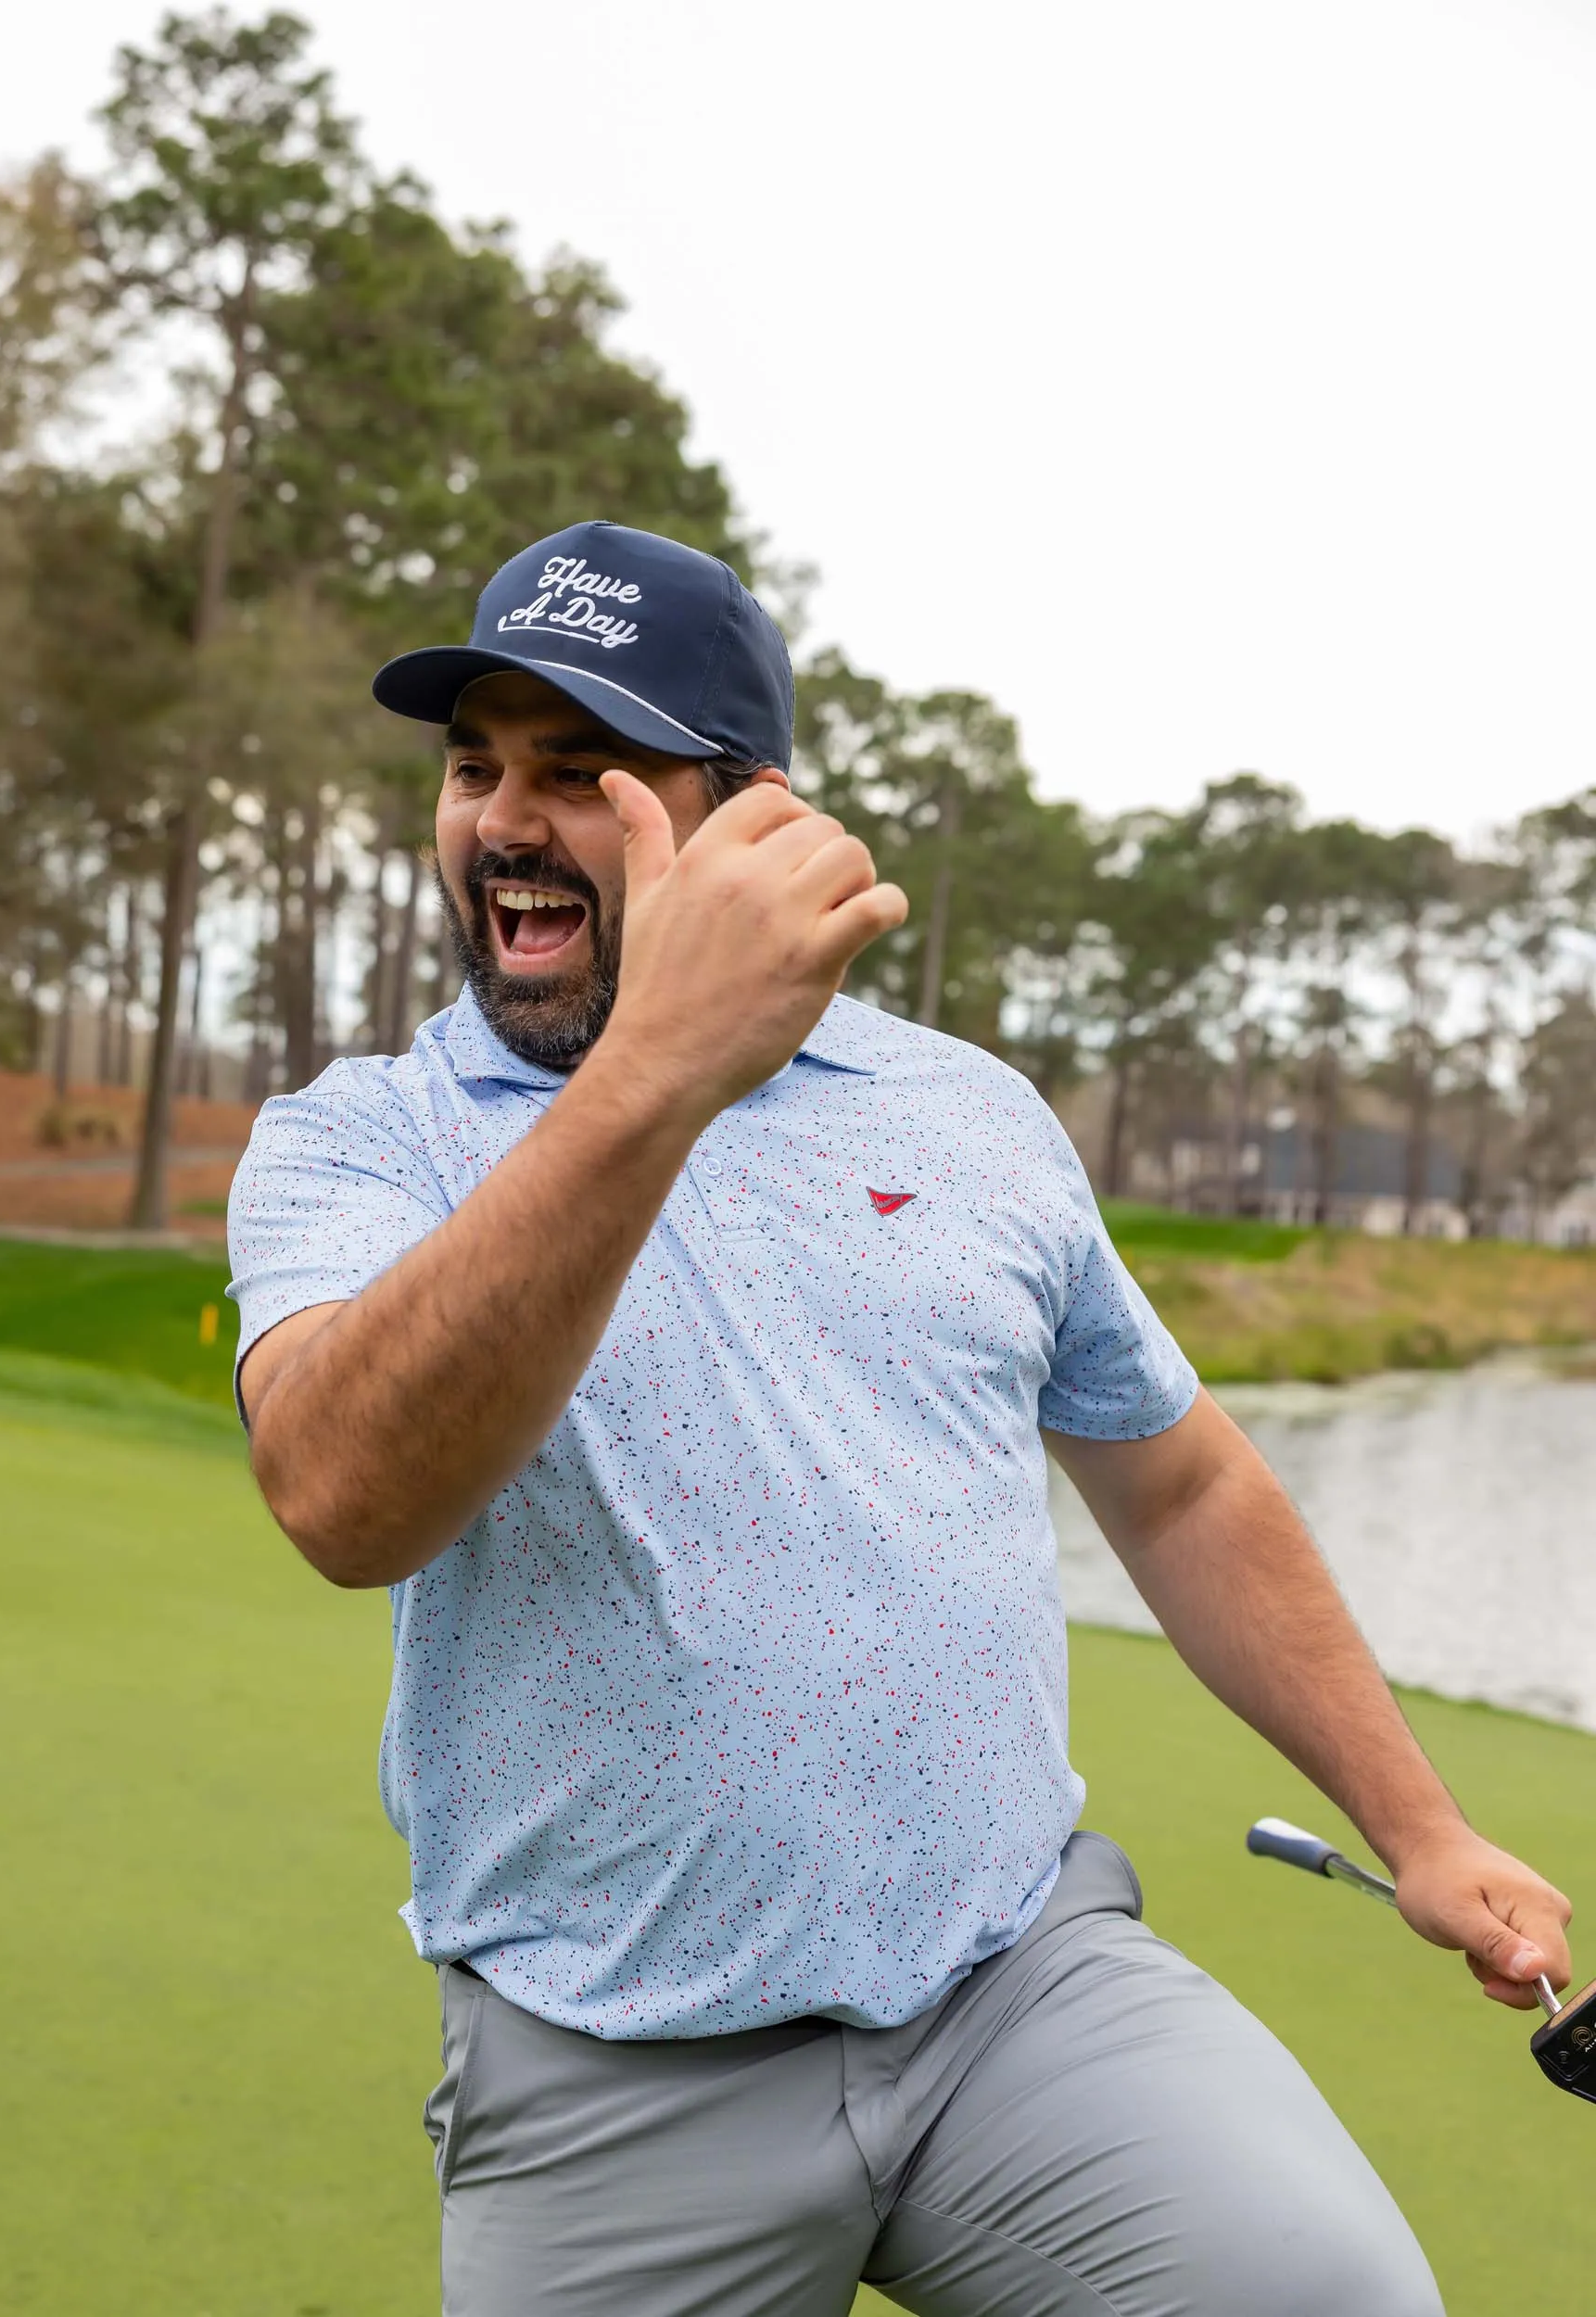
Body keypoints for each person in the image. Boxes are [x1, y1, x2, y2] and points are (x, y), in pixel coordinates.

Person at [227, 521, 1572, 2317]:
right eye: (476, 767)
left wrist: (1423, 1826)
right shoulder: (359, 1138)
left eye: (580, 770)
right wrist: (655, 1071)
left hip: (1016, 1994)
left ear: (748, 818)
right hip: (614, 2064)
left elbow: (1175, 1483)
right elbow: (340, 1496)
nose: (504, 818)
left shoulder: (972, 1116)